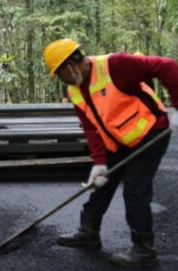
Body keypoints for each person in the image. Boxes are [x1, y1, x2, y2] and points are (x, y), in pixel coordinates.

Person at [42, 38, 178, 267]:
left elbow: (168, 66)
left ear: (71, 65)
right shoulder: (74, 91)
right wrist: (99, 163)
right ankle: (89, 232)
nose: (62, 79)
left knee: (135, 190)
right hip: (119, 141)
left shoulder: (116, 65)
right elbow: (91, 128)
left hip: (150, 133)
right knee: (100, 184)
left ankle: (144, 248)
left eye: (60, 73)